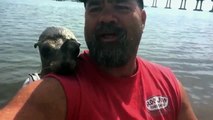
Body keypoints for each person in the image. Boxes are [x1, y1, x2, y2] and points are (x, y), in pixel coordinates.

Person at [0, 0, 197, 120]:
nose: (106, 18)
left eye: (120, 6)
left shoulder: (169, 84)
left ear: (143, 19)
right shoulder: (55, 89)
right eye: (95, 7)